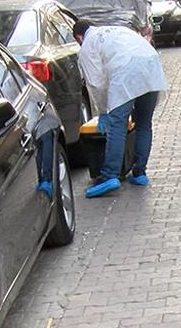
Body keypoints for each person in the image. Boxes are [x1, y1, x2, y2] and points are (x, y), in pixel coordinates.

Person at [72, 19, 168, 198]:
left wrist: (102, 112)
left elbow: (95, 83)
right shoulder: (115, 30)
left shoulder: (87, 44)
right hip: (151, 65)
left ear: (79, 37)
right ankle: (139, 173)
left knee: (117, 124)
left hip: (126, 70)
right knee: (143, 124)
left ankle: (109, 175)